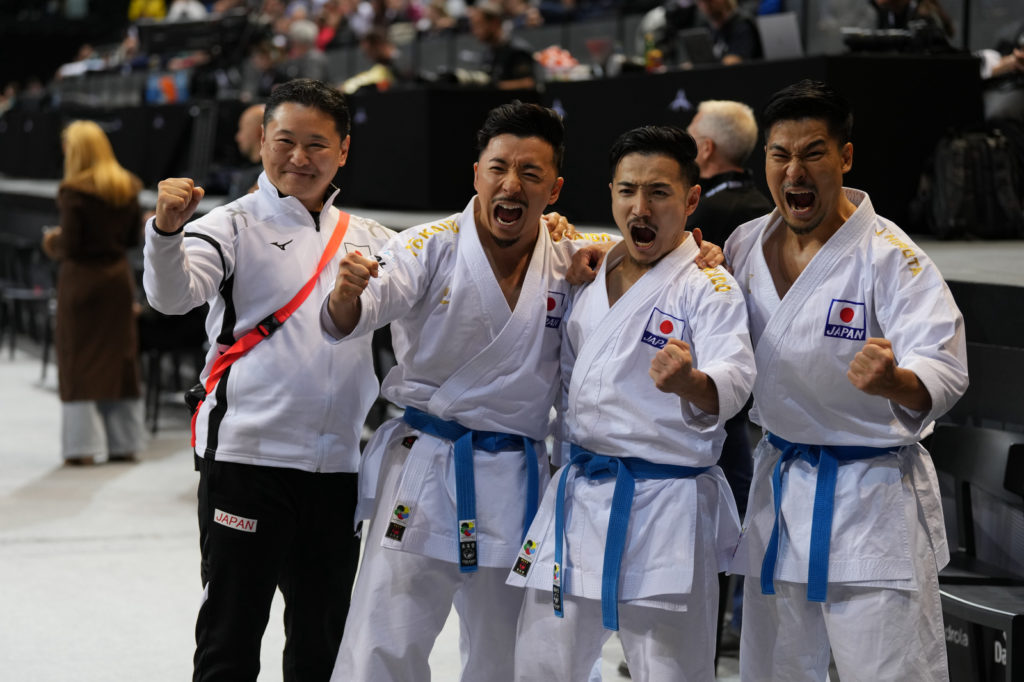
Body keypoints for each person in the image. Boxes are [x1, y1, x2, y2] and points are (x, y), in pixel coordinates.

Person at [322, 102, 721, 680]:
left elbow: (653, 249)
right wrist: (346, 296)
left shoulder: (575, 255)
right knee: (382, 641)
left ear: (553, 189)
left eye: (530, 173)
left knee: (508, 655)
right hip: (425, 467)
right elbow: (359, 308)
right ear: (476, 174)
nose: (511, 185)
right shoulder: (427, 245)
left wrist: (698, 253)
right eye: (498, 169)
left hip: (517, 479)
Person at [143, 78, 395, 682]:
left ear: (343, 150)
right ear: (262, 141)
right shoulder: (229, 225)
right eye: (285, 141)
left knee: (322, 645)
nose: (299, 158)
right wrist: (166, 234)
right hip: (246, 463)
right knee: (229, 642)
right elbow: (173, 296)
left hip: (338, 470)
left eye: (317, 144)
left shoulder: (372, 239)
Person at [723, 79, 969, 681]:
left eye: (813, 153)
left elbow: (945, 364)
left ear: (846, 157)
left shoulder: (890, 255)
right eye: (780, 155)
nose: (794, 171)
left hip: (870, 501)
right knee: (774, 672)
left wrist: (895, 381)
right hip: (781, 494)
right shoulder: (744, 244)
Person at [508, 125, 755, 681]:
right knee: (542, 664)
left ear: (691, 199)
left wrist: (691, 382)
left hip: (666, 506)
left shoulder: (709, 284)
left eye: (659, 192)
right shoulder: (591, 264)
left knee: (669, 671)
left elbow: (736, 377)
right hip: (578, 495)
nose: (640, 208)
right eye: (627, 191)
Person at [686, 97, 771, 658]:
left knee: (715, 524)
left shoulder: (705, 221)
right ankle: (731, 623)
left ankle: (705, 634)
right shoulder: (767, 212)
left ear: (705, 149)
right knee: (738, 514)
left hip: (705, 398)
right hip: (749, 397)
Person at [42, 120, 145, 467]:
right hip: (117, 282)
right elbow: (132, 240)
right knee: (120, 359)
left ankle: (81, 447)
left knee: (77, 360)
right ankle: (124, 443)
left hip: (81, 283)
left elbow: (70, 244)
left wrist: (51, 240)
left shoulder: (74, 191)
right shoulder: (127, 186)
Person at [467, 0, 537, 89]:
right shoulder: (490, 50)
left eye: (478, 25)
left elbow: (528, 83)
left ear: (494, 23)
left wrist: (493, 87)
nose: (474, 32)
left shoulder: (517, 50)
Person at [695, 0, 762, 64]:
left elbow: (734, 61)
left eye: (710, 1)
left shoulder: (742, 25)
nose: (706, 6)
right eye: (701, 2)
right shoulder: (707, 28)